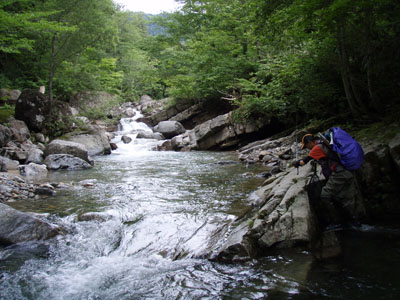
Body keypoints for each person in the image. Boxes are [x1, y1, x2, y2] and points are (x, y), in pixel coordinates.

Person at [294, 134, 357, 231]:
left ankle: (337, 222)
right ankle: (352, 221)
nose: (307, 148)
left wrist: (297, 163)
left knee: (325, 195)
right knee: (342, 197)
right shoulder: (324, 144)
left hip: (339, 174)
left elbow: (304, 161)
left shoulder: (317, 148)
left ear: (310, 142)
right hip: (346, 172)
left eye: (306, 146)